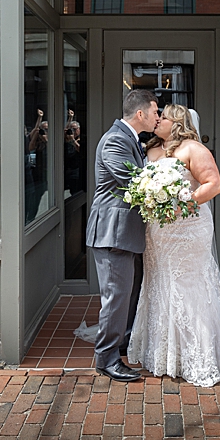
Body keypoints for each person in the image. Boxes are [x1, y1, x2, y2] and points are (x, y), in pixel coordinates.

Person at [128, 104, 220, 387]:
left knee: (188, 284)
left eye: (163, 116)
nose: (157, 119)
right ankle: (164, 353)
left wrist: (181, 204)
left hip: (189, 228)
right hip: (158, 233)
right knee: (160, 282)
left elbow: (213, 185)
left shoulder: (193, 149)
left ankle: (197, 355)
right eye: (157, 115)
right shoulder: (149, 150)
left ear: (178, 122)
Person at [86, 89, 160, 382]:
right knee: (116, 297)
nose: (158, 117)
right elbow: (134, 183)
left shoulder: (131, 139)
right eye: (156, 112)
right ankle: (106, 359)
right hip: (112, 233)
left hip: (125, 233)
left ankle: (120, 346)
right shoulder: (116, 140)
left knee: (126, 295)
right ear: (140, 114)